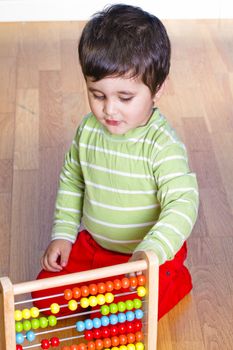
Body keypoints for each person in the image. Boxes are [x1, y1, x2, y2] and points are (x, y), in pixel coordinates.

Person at [33, 4, 199, 320]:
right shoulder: (88, 131)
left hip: (148, 256)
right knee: (44, 294)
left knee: (129, 315)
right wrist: (64, 235)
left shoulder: (162, 145)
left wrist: (151, 252)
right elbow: (73, 179)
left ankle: (176, 281)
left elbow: (182, 202)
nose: (110, 110)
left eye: (125, 98)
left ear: (157, 90)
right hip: (96, 248)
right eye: (97, 95)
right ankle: (107, 293)